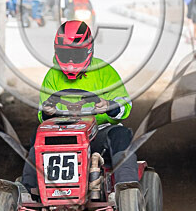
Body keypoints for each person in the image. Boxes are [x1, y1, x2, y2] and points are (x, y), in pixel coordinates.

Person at [20, 20, 138, 198]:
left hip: (98, 134)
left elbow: (125, 106)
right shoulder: (53, 75)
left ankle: (127, 190)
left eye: (75, 56)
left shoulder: (104, 71)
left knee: (121, 136)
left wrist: (108, 106)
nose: (69, 61)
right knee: (37, 138)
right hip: (62, 133)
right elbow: (42, 115)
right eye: (65, 54)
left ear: (88, 51)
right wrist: (48, 112)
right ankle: (27, 190)